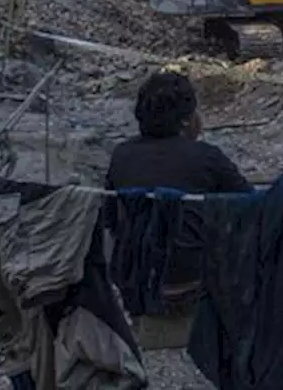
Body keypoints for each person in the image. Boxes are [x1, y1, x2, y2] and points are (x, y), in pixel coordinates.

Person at [105, 70, 252, 349]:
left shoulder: (122, 155)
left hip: (138, 280)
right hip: (191, 283)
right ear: (187, 119)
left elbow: (111, 220)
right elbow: (251, 210)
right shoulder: (207, 157)